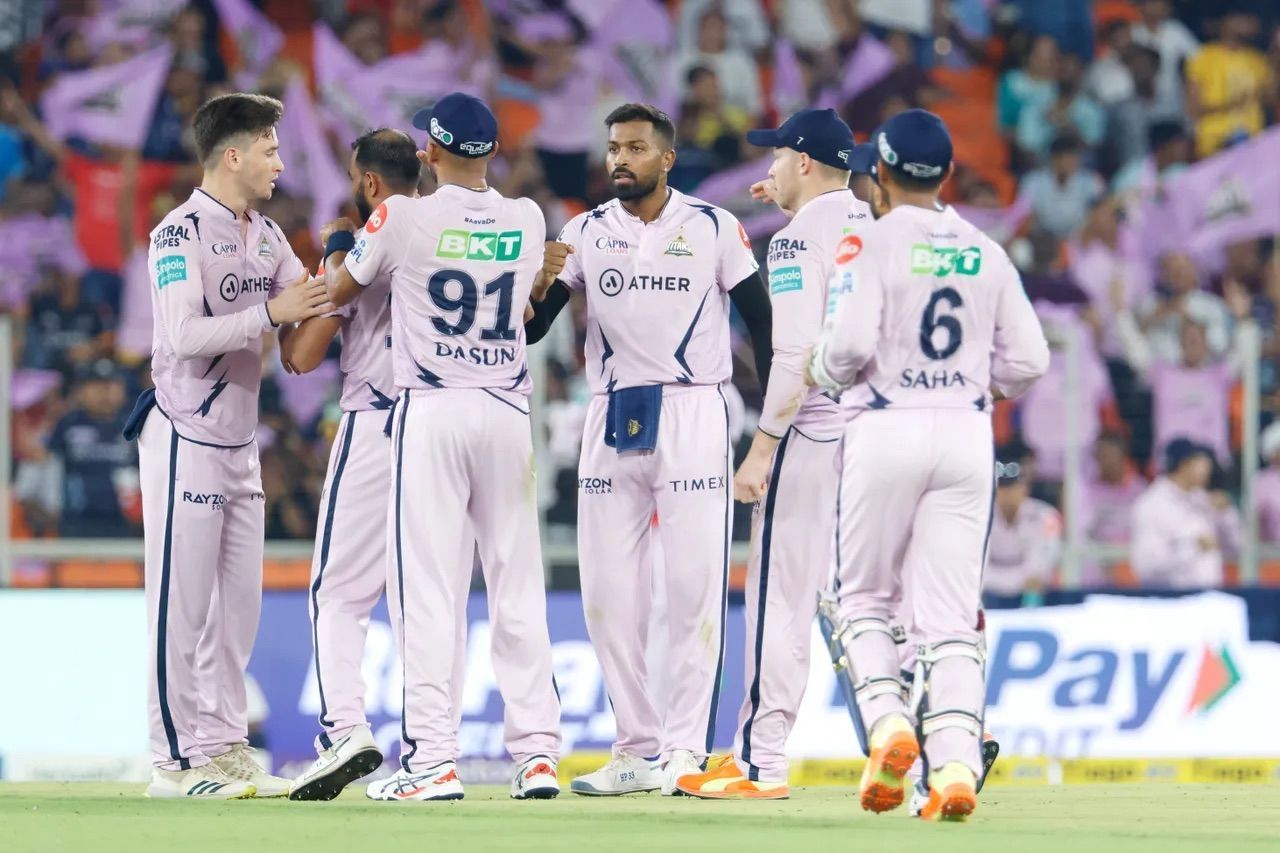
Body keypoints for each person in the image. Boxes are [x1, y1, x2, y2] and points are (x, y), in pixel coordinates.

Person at [807, 109, 1049, 821]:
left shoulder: (870, 243)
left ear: (878, 174)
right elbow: (1031, 360)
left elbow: (847, 348)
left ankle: (888, 725)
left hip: (886, 424)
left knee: (861, 599)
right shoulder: (986, 249)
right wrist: (977, 385)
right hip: (968, 434)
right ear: (946, 175)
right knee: (950, 618)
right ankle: (954, 767)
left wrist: (820, 368)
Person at [322, 92, 563, 802]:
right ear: (490, 152)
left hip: (430, 407)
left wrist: (340, 245)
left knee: (427, 589)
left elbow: (344, 286)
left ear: (428, 151)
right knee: (518, 581)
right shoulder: (526, 218)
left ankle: (433, 759)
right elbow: (524, 306)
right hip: (506, 409)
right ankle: (539, 755)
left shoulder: (403, 215)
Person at [529, 103, 773, 796]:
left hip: (694, 405)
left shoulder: (712, 226)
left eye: (635, 147)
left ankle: (684, 750)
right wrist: (538, 284)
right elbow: (530, 329)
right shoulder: (582, 231)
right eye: (613, 148)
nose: (619, 159)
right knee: (607, 592)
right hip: (610, 410)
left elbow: (762, 322)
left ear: (666, 158)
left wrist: (770, 419)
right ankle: (635, 746)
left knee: (695, 588)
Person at [127, 92, 331, 800]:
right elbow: (182, 337)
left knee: (236, 609)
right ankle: (171, 762)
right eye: (271, 149)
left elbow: (314, 304)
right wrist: (271, 313)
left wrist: (351, 266)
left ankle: (222, 746)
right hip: (185, 435)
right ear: (234, 155)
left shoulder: (268, 236)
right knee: (179, 606)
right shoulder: (177, 235)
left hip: (242, 443)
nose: (281, 161)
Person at [676, 109, 870, 800]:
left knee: (777, 598)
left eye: (778, 158)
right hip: (880, 432)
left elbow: (792, 357)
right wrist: (793, 198)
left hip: (811, 427)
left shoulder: (793, 243)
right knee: (872, 597)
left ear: (805, 162)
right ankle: (942, 737)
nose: (769, 169)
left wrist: (762, 448)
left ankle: (760, 758)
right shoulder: (875, 221)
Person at [279, 129, 436, 801]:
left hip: (377, 420)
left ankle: (345, 727)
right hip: (444, 421)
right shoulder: (452, 225)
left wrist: (334, 255)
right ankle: (434, 751)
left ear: (369, 182)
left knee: (339, 592)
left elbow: (302, 355)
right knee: (426, 595)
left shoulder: (367, 237)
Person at [1130, 438, 1242, 588]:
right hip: (1171, 601)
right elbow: (1147, 567)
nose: (1208, 467)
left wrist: (1226, 514)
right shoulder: (1151, 505)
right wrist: (1193, 547)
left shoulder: (1203, 499)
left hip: (1209, 598)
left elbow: (1238, 548)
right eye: (1202, 461)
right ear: (1184, 465)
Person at [982, 445, 1063, 606]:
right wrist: (1014, 580)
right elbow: (976, 570)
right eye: (1001, 488)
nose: (1006, 494)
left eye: (1011, 487)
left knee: (1036, 587)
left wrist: (995, 579)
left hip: (1032, 596)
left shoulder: (1047, 517)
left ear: (1024, 488)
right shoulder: (979, 516)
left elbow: (1038, 571)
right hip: (988, 596)